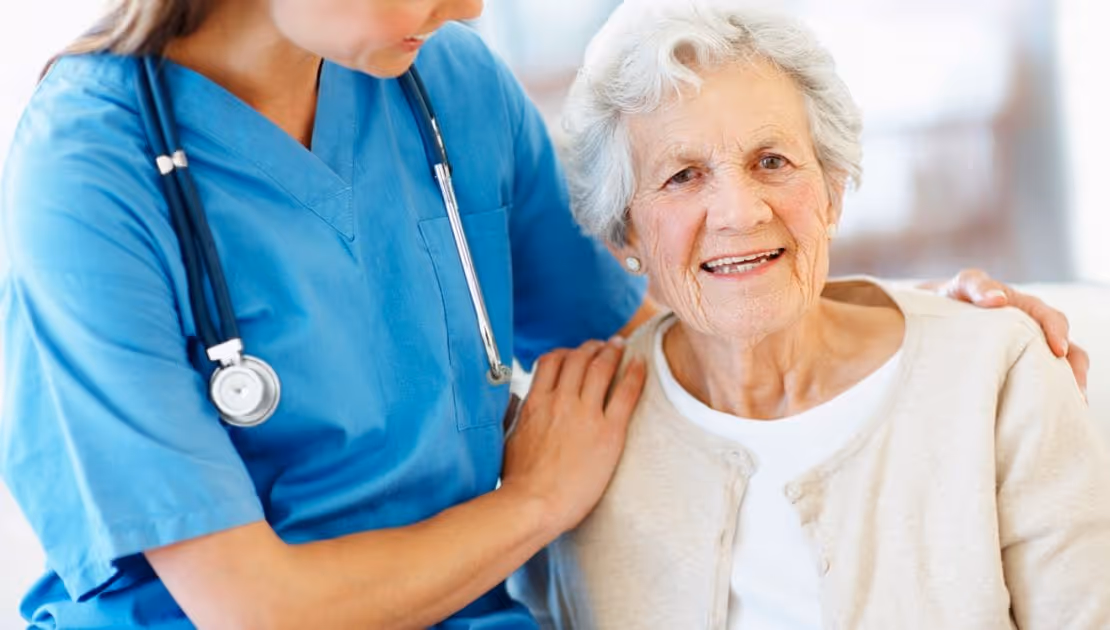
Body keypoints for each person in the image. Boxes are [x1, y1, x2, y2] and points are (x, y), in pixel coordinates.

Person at [0, 0, 1088, 628]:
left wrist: (914, 331)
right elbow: (254, 609)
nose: (472, 6)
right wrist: (531, 506)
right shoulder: (89, 171)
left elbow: (651, 318)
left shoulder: (447, 82)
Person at [509, 2, 1110, 628]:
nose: (740, 213)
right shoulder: (573, 432)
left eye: (772, 161)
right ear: (623, 235)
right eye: (683, 176)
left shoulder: (998, 375)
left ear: (832, 192)